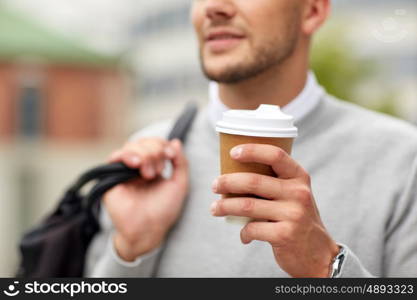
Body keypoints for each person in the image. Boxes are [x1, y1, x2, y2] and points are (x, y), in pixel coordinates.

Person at [85, 0, 417, 277]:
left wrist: (326, 267)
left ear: (313, 11)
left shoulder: (403, 159)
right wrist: (130, 251)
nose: (213, 8)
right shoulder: (145, 158)